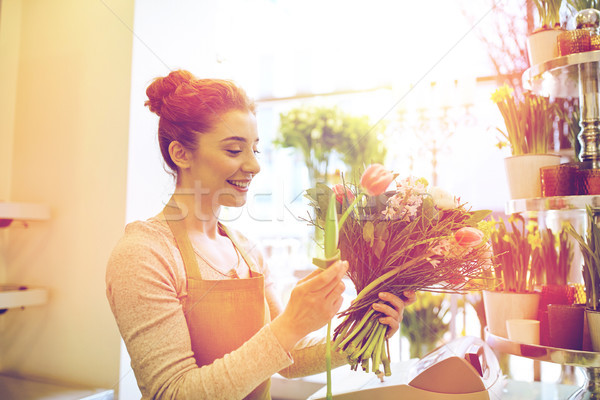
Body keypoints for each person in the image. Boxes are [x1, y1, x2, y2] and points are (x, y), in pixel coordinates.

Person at [106, 69, 416, 400]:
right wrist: (293, 323)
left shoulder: (246, 250)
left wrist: (365, 330)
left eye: (255, 149)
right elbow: (174, 393)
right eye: (234, 150)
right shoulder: (144, 254)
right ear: (181, 154)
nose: (254, 166)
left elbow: (287, 359)